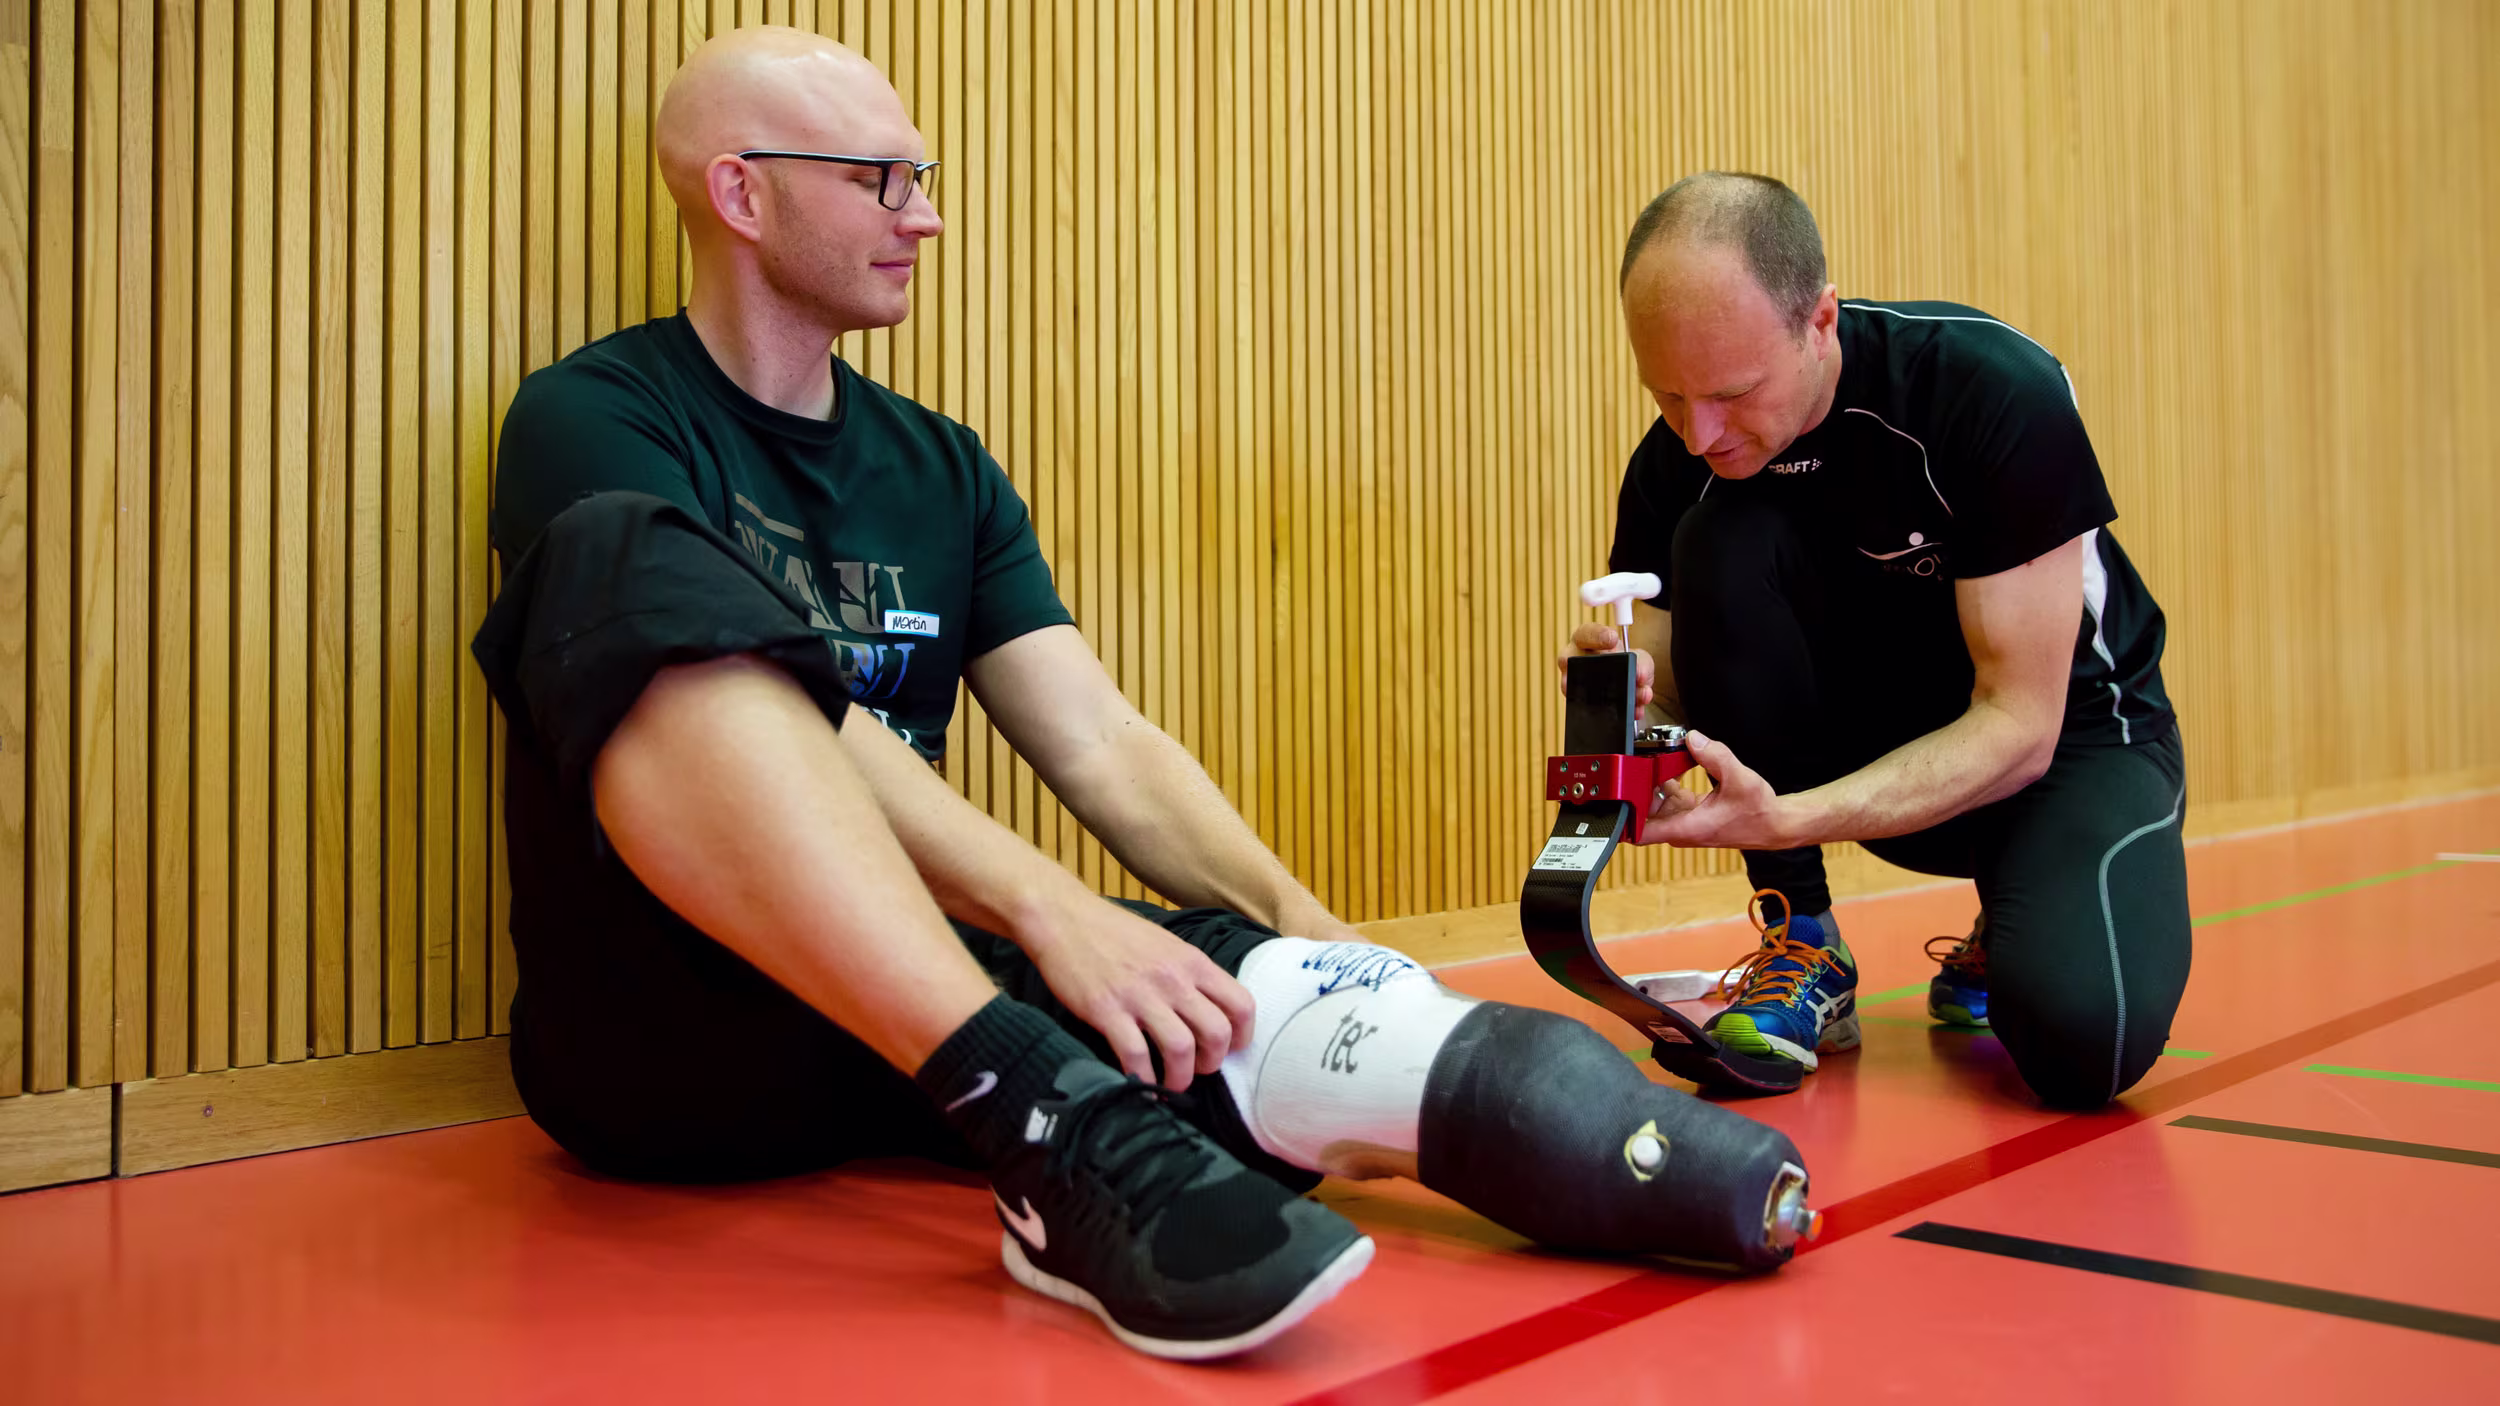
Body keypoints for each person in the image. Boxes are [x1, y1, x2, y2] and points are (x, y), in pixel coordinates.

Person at [475, 31, 1807, 1362]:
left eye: (920, 177)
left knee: (1292, 1011)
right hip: (664, 1033)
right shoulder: (593, 422)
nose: (923, 216)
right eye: (881, 181)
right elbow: (794, 716)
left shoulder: (942, 468)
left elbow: (1101, 741)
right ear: (742, 192)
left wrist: (1315, 940)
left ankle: (1063, 1130)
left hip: (927, 995)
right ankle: (1045, 1110)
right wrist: (1048, 905)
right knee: (614, 548)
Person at [1564, 171, 2189, 1109]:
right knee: (1720, 533)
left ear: (1821, 320)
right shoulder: (1680, 461)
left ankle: (2019, 909)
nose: (1700, 434)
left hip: (2066, 746)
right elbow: (1677, 691)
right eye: (1668, 396)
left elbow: (2021, 725)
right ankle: (1803, 936)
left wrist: (1789, 816)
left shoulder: (1988, 392)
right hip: (1873, 751)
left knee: (2083, 1050)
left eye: (1732, 393)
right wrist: (1625, 705)